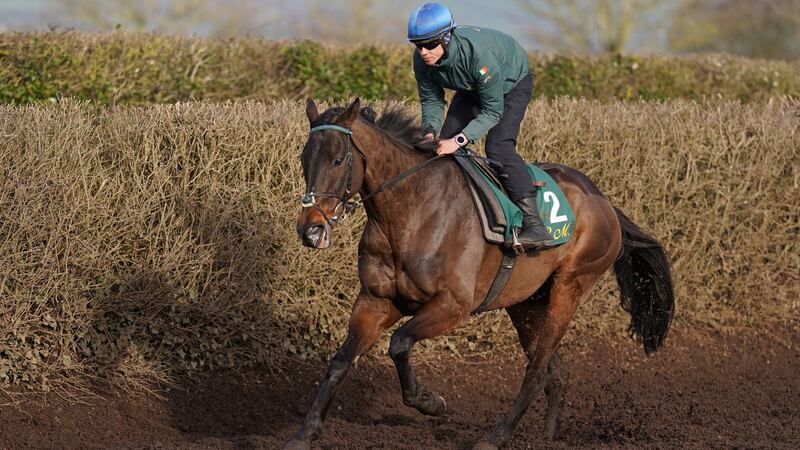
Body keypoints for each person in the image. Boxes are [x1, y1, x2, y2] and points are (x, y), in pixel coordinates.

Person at [407, 2, 554, 250]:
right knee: (439, 147)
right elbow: (432, 100)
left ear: (446, 38)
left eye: (430, 44)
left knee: (498, 147)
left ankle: (535, 224)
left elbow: (492, 110)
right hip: (471, 88)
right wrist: (430, 130)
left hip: (510, 87)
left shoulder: (477, 55)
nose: (424, 52)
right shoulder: (422, 61)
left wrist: (459, 140)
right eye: (418, 45)